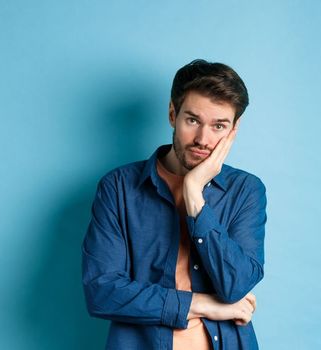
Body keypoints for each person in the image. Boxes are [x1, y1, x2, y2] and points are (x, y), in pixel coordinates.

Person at [82, 59, 266, 350]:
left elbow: (236, 285)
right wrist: (202, 304)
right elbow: (101, 292)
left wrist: (194, 194)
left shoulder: (245, 190)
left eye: (219, 126)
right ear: (172, 114)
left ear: (234, 130)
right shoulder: (118, 188)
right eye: (192, 120)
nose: (203, 140)